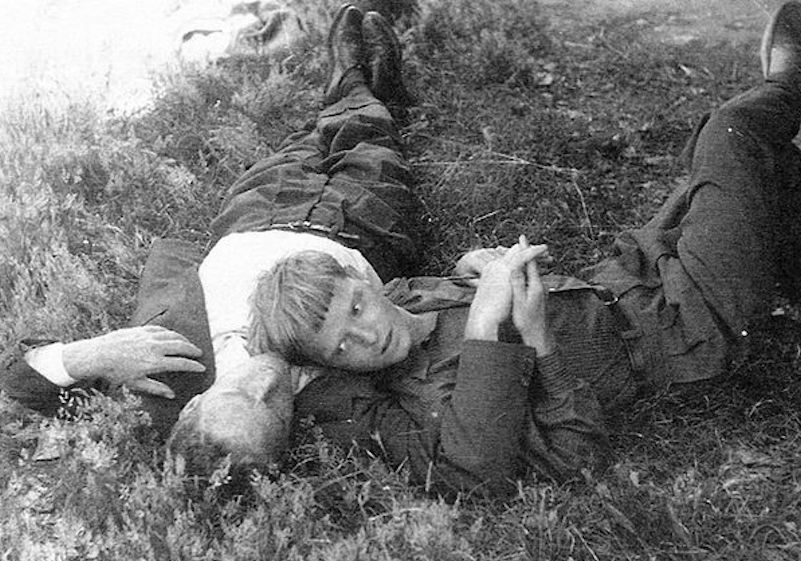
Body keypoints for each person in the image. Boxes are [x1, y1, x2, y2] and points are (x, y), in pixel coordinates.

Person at [177, 1, 801, 497]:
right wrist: (534, 340)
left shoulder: (404, 298)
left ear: (365, 284)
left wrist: (469, 271)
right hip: (685, 327)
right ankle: (789, 84)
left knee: (729, 168)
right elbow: (569, 455)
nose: (365, 341)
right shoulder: (429, 398)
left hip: (636, 266)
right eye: (340, 347)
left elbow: (423, 300)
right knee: (731, 135)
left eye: (356, 312)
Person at [0, 5, 418, 466]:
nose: (265, 386)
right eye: (273, 412)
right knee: (370, 145)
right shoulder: (330, 392)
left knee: (300, 143)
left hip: (256, 213)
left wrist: (93, 355)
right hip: (356, 228)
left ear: (193, 406)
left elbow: (20, 385)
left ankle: (347, 90)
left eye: (241, 398)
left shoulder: (163, 380)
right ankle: (361, 83)